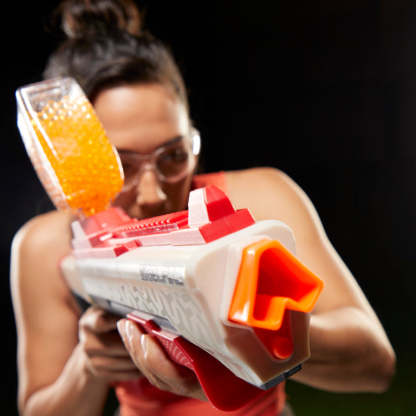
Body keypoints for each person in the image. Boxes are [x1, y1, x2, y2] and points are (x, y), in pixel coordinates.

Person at [10, 1, 396, 415]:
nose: (152, 194)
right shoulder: (46, 246)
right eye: (119, 166)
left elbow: (375, 365)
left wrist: (255, 333)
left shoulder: (260, 203)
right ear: (71, 166)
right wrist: (88, 367)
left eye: (173, 156)